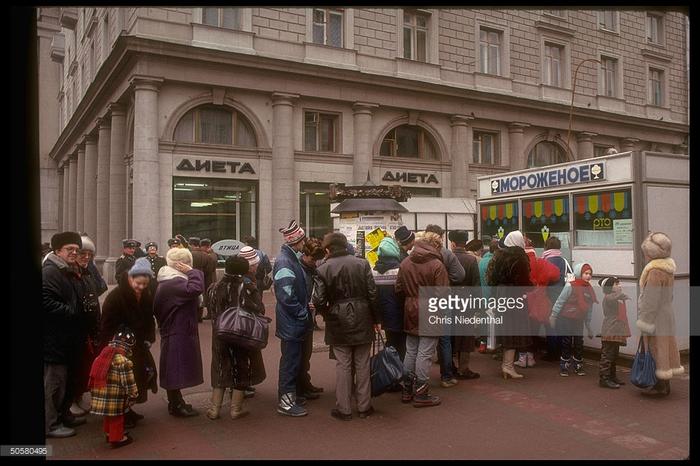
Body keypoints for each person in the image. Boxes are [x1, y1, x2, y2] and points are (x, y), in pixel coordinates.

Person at [313, 233, 380, 420]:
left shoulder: (323, 268)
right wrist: (376, 319)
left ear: (327, 249)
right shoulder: (362, 263)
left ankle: (344, 408)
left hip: (337, 318)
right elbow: (373, 293)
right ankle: (364, 406)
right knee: (363, 363)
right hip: (363, 316)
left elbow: (318, 300)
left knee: (343, 365)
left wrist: (328, 314)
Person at [206, 255, 266, 420]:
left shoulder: (214, 287)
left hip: (219, 334)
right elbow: (259, 309)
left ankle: (214, 409)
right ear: (244, 270)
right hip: (242, 334)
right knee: (241, 367)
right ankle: (235, 409)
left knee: (219, 368)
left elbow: (210, 309)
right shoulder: (247, 287)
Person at [100, 257, 157, 426]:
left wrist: (149, 337)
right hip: (119, 346)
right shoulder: (116, 296)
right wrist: (111, 346)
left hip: (137, 345)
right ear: (130, 278)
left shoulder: (145, 295)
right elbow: (106, 324)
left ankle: (128, 410)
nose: (141, 287)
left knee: (136, 379)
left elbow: (148, 318)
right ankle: (121, 416)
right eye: (138, 283)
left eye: (144, 285)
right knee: (121, 382)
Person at [396, 232, 448, 407]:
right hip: (431, 309)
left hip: (410, 308)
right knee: (425, 352)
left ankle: (407, 389)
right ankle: (421, 393)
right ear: (435, 246)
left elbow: (398, 288)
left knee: (411, 350)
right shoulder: (436, 265)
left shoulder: (405, 263)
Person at [154, 247, 205, 417]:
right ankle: (175, 405)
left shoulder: (170, 280)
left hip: (176, 328)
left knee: (174, 366)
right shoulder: (174, 282)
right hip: (176, 329)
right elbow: (196, 289)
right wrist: (193, 272)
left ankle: (177, 401)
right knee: (174, 368)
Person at [43, 231, 85, 438]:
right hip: (54, 338)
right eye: (70, 249)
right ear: (57, 250)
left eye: (76, 250)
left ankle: (63, 415)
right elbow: (45, 301)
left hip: (66, 337)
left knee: (67, 381)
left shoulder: (67, 270)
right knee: (54, 383)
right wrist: (72, 312)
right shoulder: (50, 271)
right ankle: (50, 424)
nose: (74, 253)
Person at [636, 232, 684, 396]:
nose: (645, 255)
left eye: (646, 252)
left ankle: (660, 385)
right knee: (665, 346)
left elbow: (651, 300)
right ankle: (664, 383)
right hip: (666, 312)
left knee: (656, 348)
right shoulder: (668, 269)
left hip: (656, 316)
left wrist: (644, 321)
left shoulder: (655, 271)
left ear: (651, 253)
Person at [273, 220, 311, 417]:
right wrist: (302, 312)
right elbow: (286, 295)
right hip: (292, 322)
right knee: (290, 361)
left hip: (292, 321)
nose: (305, 243)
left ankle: (290, 396)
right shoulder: (285, 262)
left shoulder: (290, 259)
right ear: (296, 241)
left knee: (293, 360)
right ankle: (286, 402)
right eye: (303, 240)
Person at [69, 234, 108, 419]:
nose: (86, 257)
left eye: (89, 254)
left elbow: (100, 287)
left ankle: (78, 397)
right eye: (82, 253)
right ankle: (71, 401)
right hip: (76, 327)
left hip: (90, 325)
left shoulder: (87, 271)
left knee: (87, 364)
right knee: (75, 367)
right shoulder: (68, 272)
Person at [425, 225, 465, 389]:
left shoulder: (414, 254)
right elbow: (460, 275)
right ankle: (446, 376)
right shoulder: (446, 254)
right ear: (440, 237)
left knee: (420, 341)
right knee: (444, 340)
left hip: (422, 299)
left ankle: (416, 379)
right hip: (443, 299)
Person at [486, 241, 532, 379]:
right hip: (515, 296)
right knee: (515, 331)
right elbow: (524, 281)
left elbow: (491, 279)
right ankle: (508, 366)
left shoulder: (499, 256)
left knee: (507, 330)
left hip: (502, 295)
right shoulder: (520, 257)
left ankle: (507, 365)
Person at [88, 326, 139, 449]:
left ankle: (108, 433)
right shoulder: (123, 361)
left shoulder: (102, 355)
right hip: (114, 396)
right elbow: (128, 382)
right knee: (117, 417)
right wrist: (133, 395)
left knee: (108, 416)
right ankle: (117, 438)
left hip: (100, 392)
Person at [516, 235, 560, 369]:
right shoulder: (540, 262)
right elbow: (555, 274)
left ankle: (522, 357)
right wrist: (542, 282)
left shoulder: (519, 263)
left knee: (522, 329)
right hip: (538, 300)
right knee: (534, 329)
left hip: (523, 300)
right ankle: (531, 356)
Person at [550, 263, 597, 377]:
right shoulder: (570, 286)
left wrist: (588, 326)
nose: (588, 276)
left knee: (578, 342)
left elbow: (589, 308)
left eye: (590, 274)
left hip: (579, 319)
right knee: (566, 341)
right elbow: (560, 300)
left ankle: (578, 364)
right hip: (567, 318)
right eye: (585, 273)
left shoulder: (589, 289)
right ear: (579, 273)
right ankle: (564, 365)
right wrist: (553, 315)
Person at [448, 230, 481, 380]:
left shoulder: (445, 258)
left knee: (450, 334)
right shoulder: (471, 260)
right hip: (466, 300)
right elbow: (476, 285)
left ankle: (449, 367)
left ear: (452, 242)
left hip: (447, 299)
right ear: (465, 242)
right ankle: (464, 367)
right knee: (465, 334)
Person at [297, 238, 326, 401]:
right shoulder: (299, 269)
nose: (315, 263)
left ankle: (305, 384)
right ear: (305, 254)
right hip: (302, 314)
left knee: (306, 354)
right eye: (313, 259)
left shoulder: (310, 269)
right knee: (300, 355)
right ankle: (300, 387)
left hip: (308, 314)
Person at [372, 236, 406, 361]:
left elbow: (373, 295)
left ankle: (389, 371)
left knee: (390, 342)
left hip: (384, 315)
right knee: (402, 345)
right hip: (399, 313)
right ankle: (398, 372)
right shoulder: (400, 269)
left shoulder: (373, 271)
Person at [597, 276, 631, 389]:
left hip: (616, 329)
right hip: (610, 329)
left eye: (619, 283)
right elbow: (612, 298)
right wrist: (622, 295)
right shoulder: (609, 297)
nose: (619, 285)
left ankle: (612, 376)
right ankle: (604, 378)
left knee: (614, 355)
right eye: (616, 284)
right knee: (607, 355)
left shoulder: (616, 297)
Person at [540, 236, 568, 361]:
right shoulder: (564, 261)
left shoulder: (544, 261)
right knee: (560, 324)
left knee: (550, 325)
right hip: (562, 297)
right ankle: (562, 352)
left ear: (546, 246)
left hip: (548, 297)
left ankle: (552, 352)